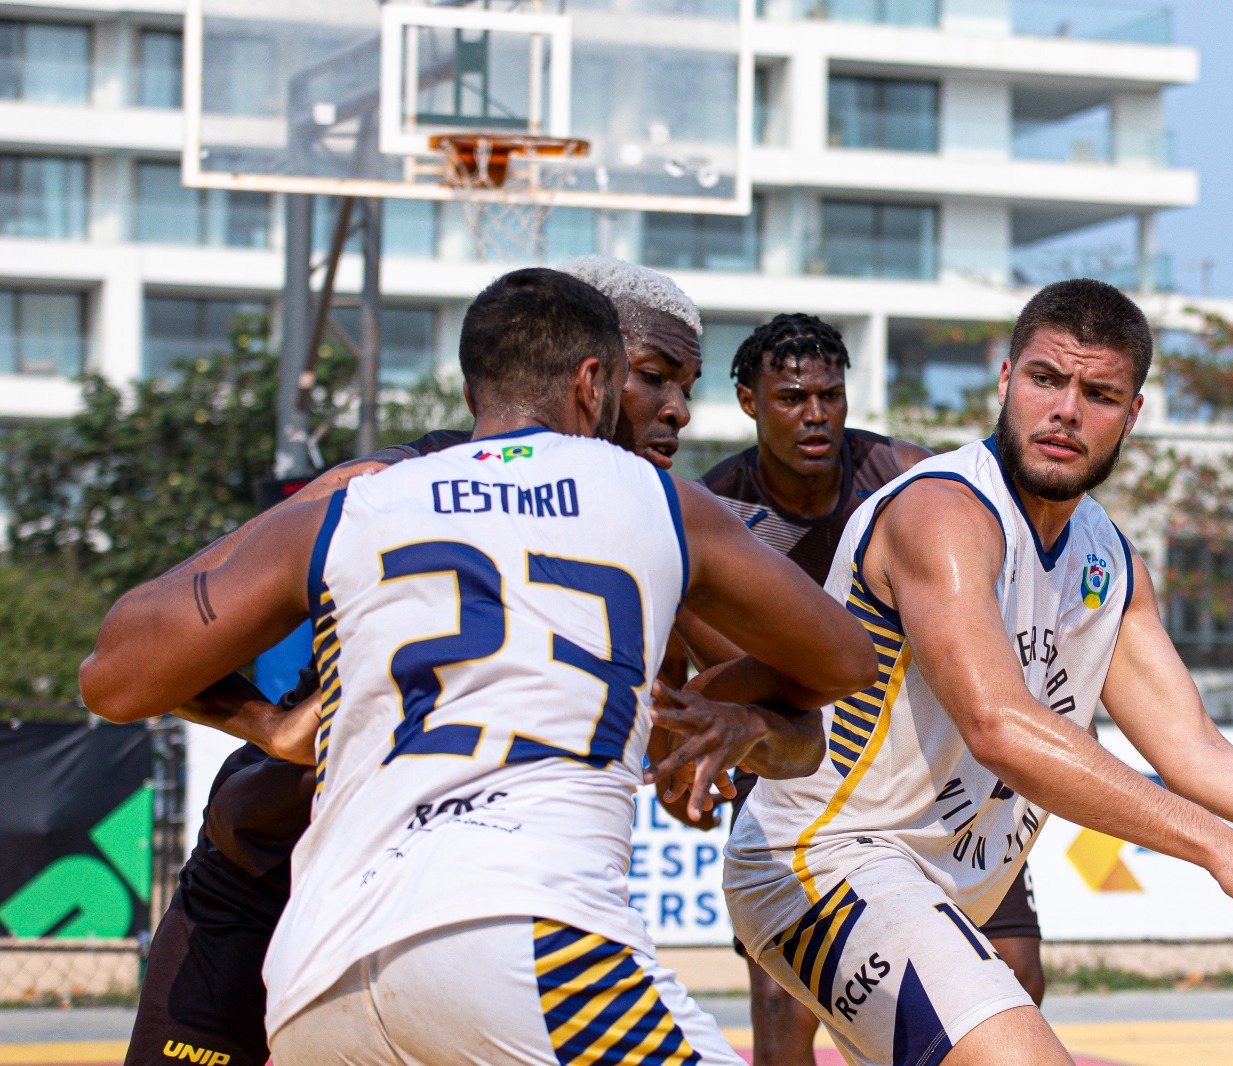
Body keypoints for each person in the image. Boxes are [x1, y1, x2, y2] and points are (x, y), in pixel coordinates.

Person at [82, 267, 878, 1065]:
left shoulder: (631, 526)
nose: (677, 407)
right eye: (654, 378)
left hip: (336, 951)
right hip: (278, 882)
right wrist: (271, 725)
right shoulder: (398, 488)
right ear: (588, 374)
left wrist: (731, 725)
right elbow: (844, 662)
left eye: (688, 384)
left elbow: (803, 729)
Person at [722, 279, 1233, 1066]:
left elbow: (1197, 753)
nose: (1065, 410)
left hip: (934, 889)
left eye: (1099, 393)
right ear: (1006, 381)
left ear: (1132, 415)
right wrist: (1224, 848)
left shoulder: (1110, 563)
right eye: (1046, 380)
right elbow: (999, 726)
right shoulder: (945, 514)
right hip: (825, 861)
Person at [665, 313, 1045, 1065]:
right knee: (782, 1004)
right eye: (792, 398)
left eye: (830, 397)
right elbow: (716, 671)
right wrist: (690, 751)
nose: (815, 415)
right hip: (794, 753)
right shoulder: (719, 510)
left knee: (1016, 971)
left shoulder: (908, 473)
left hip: (925, 761)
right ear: (748, 401)